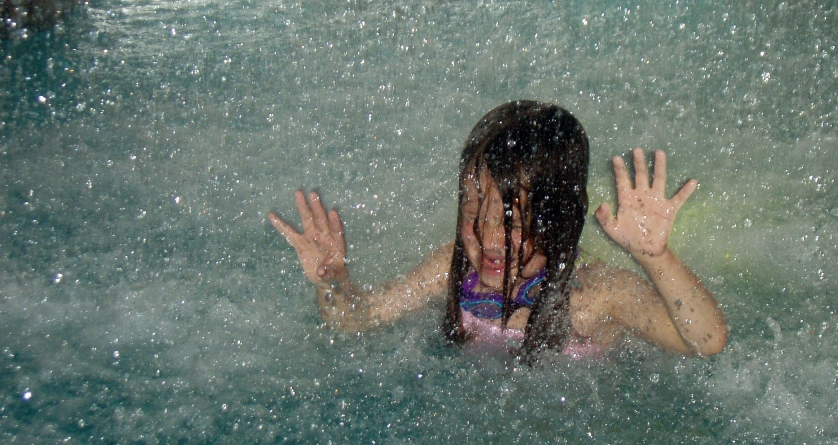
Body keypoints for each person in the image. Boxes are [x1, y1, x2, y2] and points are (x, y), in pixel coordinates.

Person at [268, 101, 727, 361]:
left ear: (560, 219)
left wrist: (654, 257)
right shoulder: (451, 271)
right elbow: (357, 320)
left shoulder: (595, 295)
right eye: (473, 210)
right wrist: (333, 283)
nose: (488, 238)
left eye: (514, 222)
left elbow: (706, 342)